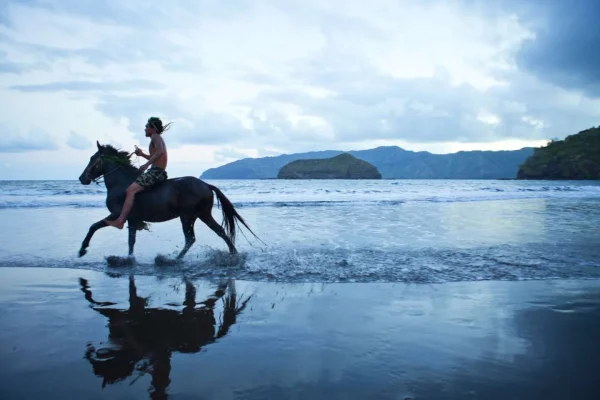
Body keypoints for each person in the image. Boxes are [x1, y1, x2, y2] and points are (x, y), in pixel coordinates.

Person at [105, 117, 171, 229]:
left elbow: (160, 152)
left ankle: (120, 221)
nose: (145, 129)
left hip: (156, 171)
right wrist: (142, 154)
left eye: (146, 127)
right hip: (157, 170)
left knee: (130, 190)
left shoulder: (155, 137)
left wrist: (146, 165)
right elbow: (156, 156)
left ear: (153, 128)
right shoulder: (156, 138)